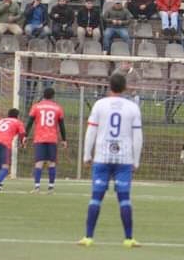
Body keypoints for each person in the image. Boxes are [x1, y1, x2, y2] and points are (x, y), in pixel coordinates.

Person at [79, 74, 143, 248]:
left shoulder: (100, 105)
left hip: (102, 157)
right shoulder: (132, 107)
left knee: (96, 198)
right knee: (124, 199)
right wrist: (136, 160)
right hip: (124, 159)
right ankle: (128, 239)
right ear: (125, 87)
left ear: (109, 86)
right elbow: (138, 136)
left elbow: (91, 131)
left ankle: (88, 237)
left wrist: (86, 155)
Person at [26, 87, 67, 194]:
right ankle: (51, 187)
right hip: (52, 138)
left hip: (39, 138)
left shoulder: (36, 106)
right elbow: (62, 125)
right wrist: (64, 139)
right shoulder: (58, 108)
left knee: (39, 162)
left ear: (43, 95)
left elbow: (29, 122)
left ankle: (37, 187)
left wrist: (25, 135)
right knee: (51, 163)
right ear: (53, 96)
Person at [0, 108, 26, 191]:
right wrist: (22, 143)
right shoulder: (18, 122)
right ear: (17, 116)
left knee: (2, 163)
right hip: (4, 144)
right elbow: (22, 133)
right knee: (6, 167)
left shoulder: (0, 120)